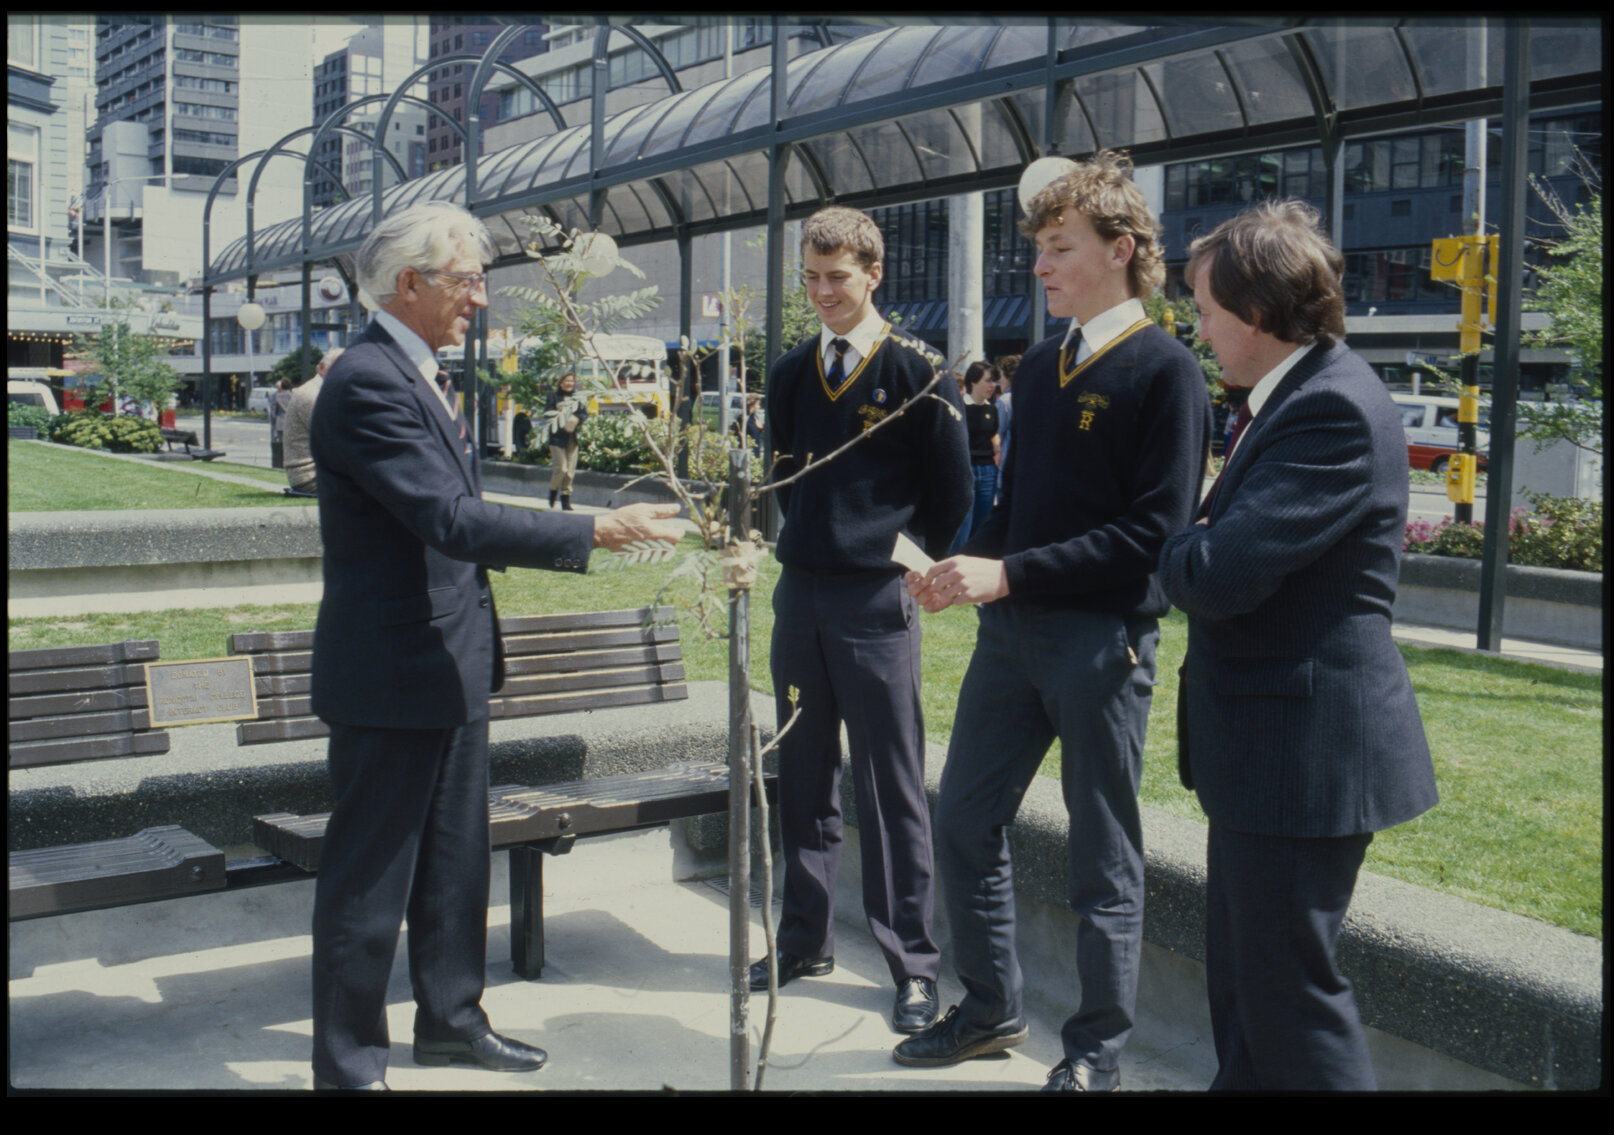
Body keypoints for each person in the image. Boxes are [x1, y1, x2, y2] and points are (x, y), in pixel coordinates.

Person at [306, 200, 682, 1091]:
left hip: (451, 661)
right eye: (466, 280)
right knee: (369, 883)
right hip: (392, 674)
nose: (480, 298)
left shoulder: (420, 373)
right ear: (409, 283)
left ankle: (451, 1020)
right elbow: (448, 518)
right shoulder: (366, 381)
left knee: (455, 863)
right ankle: (348, 1066)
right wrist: (593, 529)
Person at [898, 151, 1211, 1091]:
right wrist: (963, 566)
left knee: (1101, 855)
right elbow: (1016, 505)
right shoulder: (1038, 367)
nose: (1039, 265)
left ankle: (1095, 1055)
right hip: (1012, 635)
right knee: (962, 820)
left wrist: (1008, 572)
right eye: (1038, 246)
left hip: (1100, 644)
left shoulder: (1167, 371)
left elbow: (1155, 534)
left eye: (1059, 247)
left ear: (1121, 250)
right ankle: (991, 1009)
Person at [1158, 200, 1438, 1091]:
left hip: (1301, 757)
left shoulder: (1330, 410)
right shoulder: (1297, 395)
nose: (1199, 330)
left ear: (1258, 313)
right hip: (1273, 752)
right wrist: (1202, 538)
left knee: (1290, 1001)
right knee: (1251, 992)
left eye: (1207, 311)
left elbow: (1215, 574)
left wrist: (1181, 541)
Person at [760, 205, 971, 1036]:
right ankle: (802, 938)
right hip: (799, 599)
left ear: (874, 273)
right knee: (802, 775)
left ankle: (913, 964)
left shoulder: (921, 371)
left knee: (890, 786)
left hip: (876, 602)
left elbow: (952, 494)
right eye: (810, 277)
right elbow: (784, 475)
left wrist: (910, 569)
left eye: (837, 277)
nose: (822, 292)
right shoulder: (788, 372)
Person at [947, 362, 1000, 554]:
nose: (992, 386)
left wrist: (998, 450)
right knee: (962, 526)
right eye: (988, 381)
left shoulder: (992, 409)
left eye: (994, 381)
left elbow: (993, 433)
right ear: (973, 382)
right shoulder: (959, 408)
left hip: (987, 471)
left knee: (982, 524)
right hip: (965, 469)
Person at [284, 347, 341, 495]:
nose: (342, 373)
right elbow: (336, 439)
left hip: (317, 472)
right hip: (309, 476)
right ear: (321, 367)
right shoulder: (311, 396)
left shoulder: (320, 392)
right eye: (337, 368)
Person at [544, 371, 588, 510]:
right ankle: (552, 492)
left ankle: (565, 499)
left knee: (570, 472)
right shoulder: (553, 396)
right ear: (561, 382)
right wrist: (560, 416)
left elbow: (584, 414)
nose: (569, 383)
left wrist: (577, 420)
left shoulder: (577, 398)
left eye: (571, 381)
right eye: (566, 380)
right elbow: (547, 413)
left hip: (571, 437)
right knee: (561, 469)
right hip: (557, 437)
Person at [994, 354, 1019, 470]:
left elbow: (996, 435)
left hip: (1006, 464)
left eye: (1001, 376)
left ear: (1009, 376)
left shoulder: (1004, 401)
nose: (999, 380)